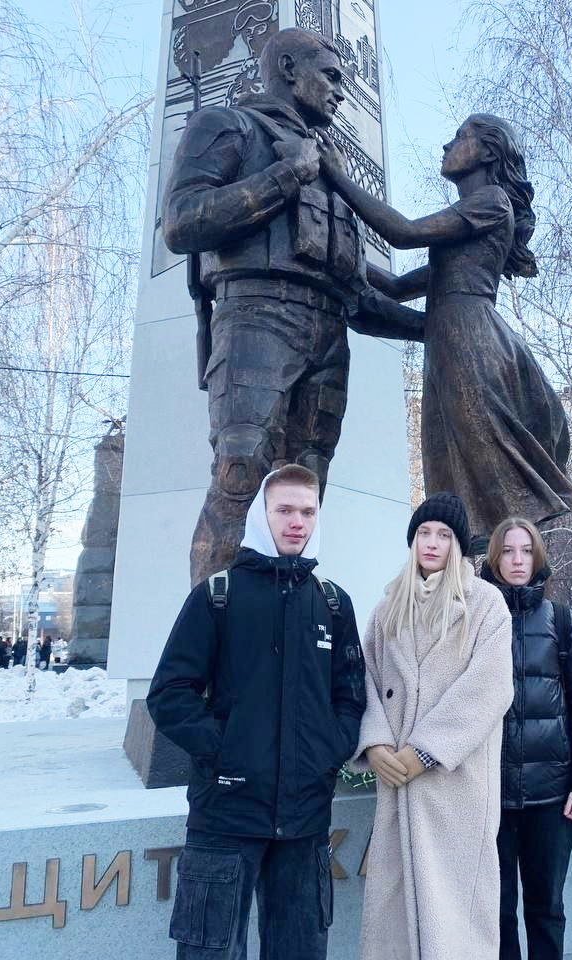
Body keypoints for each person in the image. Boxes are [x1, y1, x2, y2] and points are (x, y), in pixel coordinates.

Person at [163, 28, 420, 584]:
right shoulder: (228, 126)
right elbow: (182, 224)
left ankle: (288, 618)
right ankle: (213, 628)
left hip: (329, 335)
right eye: (331, 76)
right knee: (240, 475)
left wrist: (437, 326)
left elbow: (355, 291)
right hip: (255, 318)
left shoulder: (329, 165)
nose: (340, 92)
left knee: (305, 494)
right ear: (287, 68)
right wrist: (288, 174)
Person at [317, 114, 572, 540]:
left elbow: (403, 233)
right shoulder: (464, 237)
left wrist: (338, 177)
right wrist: (340, 253)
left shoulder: (492, 201)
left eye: (460, 136)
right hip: (449, 339)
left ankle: (511, 562)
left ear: (489, 152)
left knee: (487, 465)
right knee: (455, 471)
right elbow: (397, 286)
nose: (446, 145)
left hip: (470, 340)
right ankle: (478, 562)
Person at [148, 463, 365, 960]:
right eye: (284, 510)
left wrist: (327, 753)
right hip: (225, 815)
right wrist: (224, 750)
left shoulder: (333, 604)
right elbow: (170, 692)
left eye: (307, 512)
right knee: (211, 952)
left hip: (305, 821)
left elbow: (351, 696)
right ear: (260, 516)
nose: (297, 522)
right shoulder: (217, 596)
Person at [350, 492, 514, 960]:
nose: (432, 542)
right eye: (424, 532)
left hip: (456, 785)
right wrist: (375, 744)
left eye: (443, 535)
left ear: (458, 545)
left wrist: (427, 750)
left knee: (457, 916)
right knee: (395, 916)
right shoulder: (388, 609)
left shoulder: (486, 604)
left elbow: (490, 688)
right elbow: (365, 679)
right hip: (398, 784)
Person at [480, 517, 572, 960]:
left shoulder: (560, 619)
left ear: (538, 558)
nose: (518, 560)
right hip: (488, 794)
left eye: (526, 550)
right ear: (494, 558)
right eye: (508, 550)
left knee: (547, 908)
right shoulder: (474, 617)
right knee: (495, 912)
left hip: (550, 797)